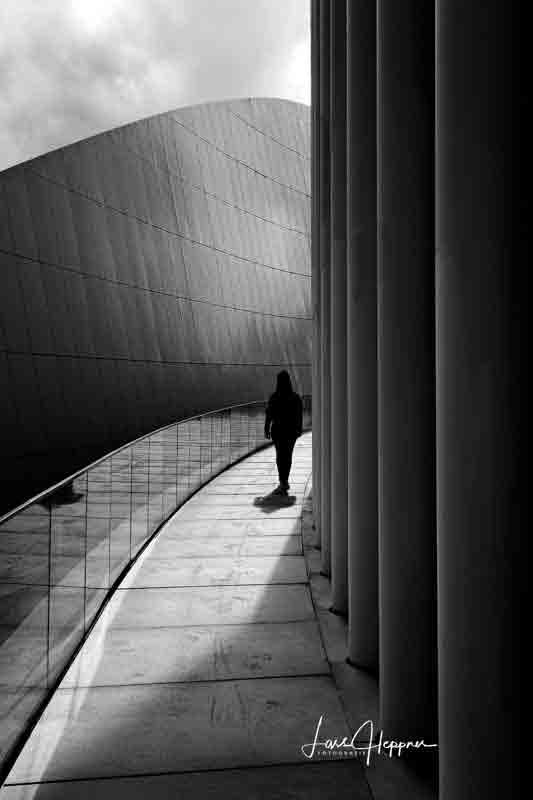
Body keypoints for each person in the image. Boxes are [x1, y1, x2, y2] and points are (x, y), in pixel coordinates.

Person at [264, 370, 303, 495]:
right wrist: (299, 429)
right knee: (288, 456)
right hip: (291, 431)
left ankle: (283, 482)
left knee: (280, 456)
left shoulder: (274, 397)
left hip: (278, 431)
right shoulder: (295, 397)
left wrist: (266, 428)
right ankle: (285, 480)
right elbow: (299, 415)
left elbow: (269, 414)